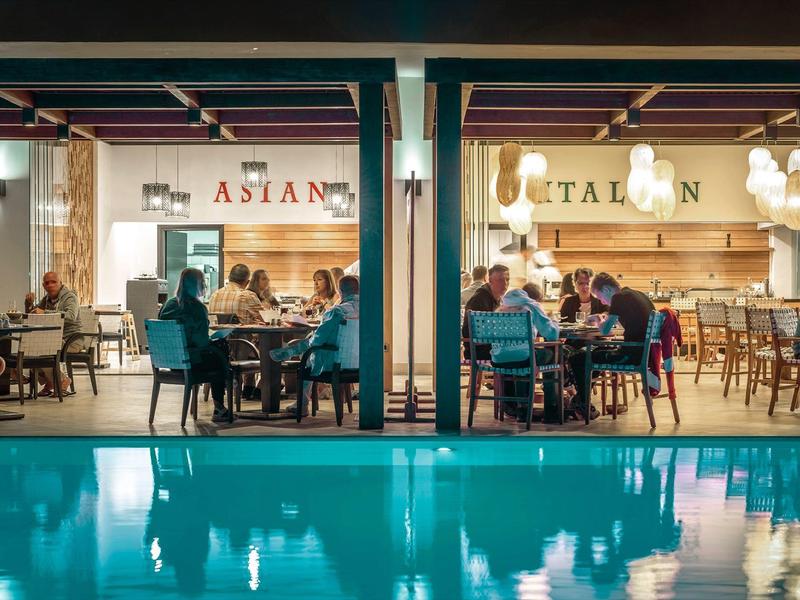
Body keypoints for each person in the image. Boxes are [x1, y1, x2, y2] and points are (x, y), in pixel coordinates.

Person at [568, 272, 654, 421]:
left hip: (630, 356)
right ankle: (581, 402)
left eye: (600, 297)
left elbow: (605, 330)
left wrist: (596, 319)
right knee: (594, 352)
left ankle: (582, 403)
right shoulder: (637, 294)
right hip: (643, 353)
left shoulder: (618, 298)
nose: (604, 302)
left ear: (607, 290)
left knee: (578, 357)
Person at [270, 275, 360, 416]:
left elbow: (316, 341)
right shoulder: (369, 312)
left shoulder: (337, 311)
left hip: (334, 364)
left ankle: (302, 404)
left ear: (340, 291)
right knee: (310, 350)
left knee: (308, 357)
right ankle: (288, 352)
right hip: (360, 364)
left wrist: (295, 348)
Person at [159, 268, 232, 422]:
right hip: (192, 362)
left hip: (170, 362)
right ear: (196, 285)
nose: (205, 286)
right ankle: (220, 404)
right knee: (220, 351)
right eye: (203, 283)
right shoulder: (198, 308)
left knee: (218, 352)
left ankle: (223, 398)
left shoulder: (168, 305)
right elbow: (201, 343)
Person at [493, 288, 561, 422]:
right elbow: (551, 334)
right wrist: (554, 323)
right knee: (552, 354)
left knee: (521, 357)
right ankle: (551, 410)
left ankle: (523, 410)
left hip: (499, 359)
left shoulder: (499, 311)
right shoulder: (529, 308)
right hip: (524, 358)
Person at [23, 271, 82, 395]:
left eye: (53, 282)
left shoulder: (70, 297)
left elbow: (71, 316)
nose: (50, 285)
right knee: (32, 347)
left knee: (42, 348)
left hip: (72, 340)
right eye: (47, 283)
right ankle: (51, 380)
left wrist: (44, 313)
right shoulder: (47, 299)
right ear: (43, 286)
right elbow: (34, 316)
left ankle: (62, 380)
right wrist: (29, 305)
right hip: (54, 338)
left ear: (60, 283)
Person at [462, 264, 510, 360]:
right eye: (500, 280)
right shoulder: (480, 300)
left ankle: (507, 374)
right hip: (479, 349)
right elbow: (478, 332)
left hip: (490, 347)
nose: (505, 283)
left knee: (519, 351)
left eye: (507, 279)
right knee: (520, 352)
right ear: (490, 281)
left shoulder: (499, 299)